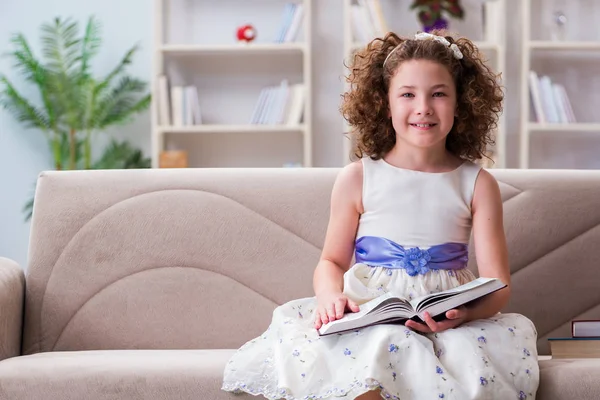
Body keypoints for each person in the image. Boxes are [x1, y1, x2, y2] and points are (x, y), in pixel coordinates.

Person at [222, 30, 540, 400]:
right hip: (370, 312)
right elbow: (330, 260)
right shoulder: (358, 177)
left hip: (445, 323)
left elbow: (497, 284)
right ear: (385, 104)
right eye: (407, 94)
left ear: (461, 104)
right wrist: (329, 297)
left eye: (438, 93)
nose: (423, 107)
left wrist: (465, 315)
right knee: (367, 367)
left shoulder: (477, 183)